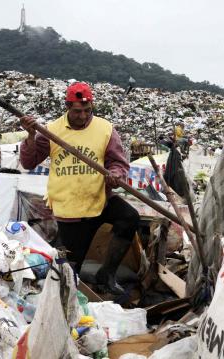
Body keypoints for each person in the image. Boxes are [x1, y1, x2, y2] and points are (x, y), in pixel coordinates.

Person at [19, 82, 139, 295]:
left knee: (129, 217)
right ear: (67, 107)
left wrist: (115, 175)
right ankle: (69, 299)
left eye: (87, 111)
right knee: (70, 269)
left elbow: (118, 163)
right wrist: (30, 137)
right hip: (70, 210)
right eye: (77, 111)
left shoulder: (105, 129)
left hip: (100, 199)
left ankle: (107, 274)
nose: (82, 116)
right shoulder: (51, 131)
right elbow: (29, 162)